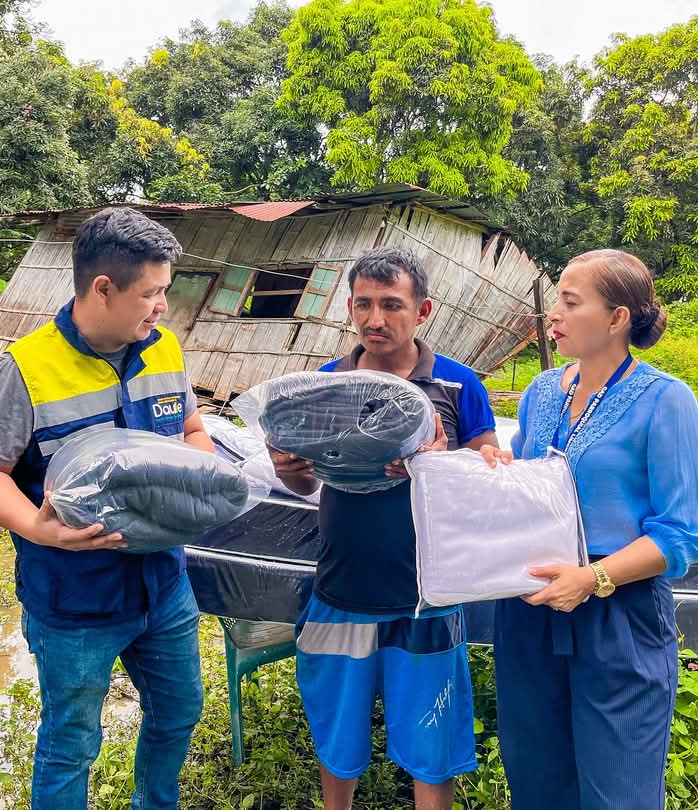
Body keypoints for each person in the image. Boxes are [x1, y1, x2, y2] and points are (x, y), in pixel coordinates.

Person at [0, 207, 213, 810]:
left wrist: (202, 471)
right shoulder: (26, 369)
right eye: (151, 294)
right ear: (103, 288)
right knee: (71, 743)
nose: (163, 307)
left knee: (179, 711)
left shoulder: (164, 350)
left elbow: (191, 429)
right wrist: (37, 527)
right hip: (75, 598)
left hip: (163, 585)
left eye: (165, 291)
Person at [482, 248, 698, 810]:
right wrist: (498, 472)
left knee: (618, 790)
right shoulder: (541, 392)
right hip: (532, 608)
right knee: (536, 779)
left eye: (570, 301)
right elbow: (533, 487)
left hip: (618, 616)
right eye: (556, 299)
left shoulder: (665, 401)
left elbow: (684, 532)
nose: (553, 314)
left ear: (617, 318)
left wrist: (592, 578)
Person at [271, 246, 499, 810]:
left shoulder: (458, 385)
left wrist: (439, 466)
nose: (375, 319)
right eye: (364, 304)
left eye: (392, 305)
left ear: (422, 311)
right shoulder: (324, 384)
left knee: (432, 739)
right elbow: (306, 483)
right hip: (340, 589)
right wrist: (289, 469)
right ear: (350, 307)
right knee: (337, 732)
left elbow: (490, 478)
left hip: (427, 596)